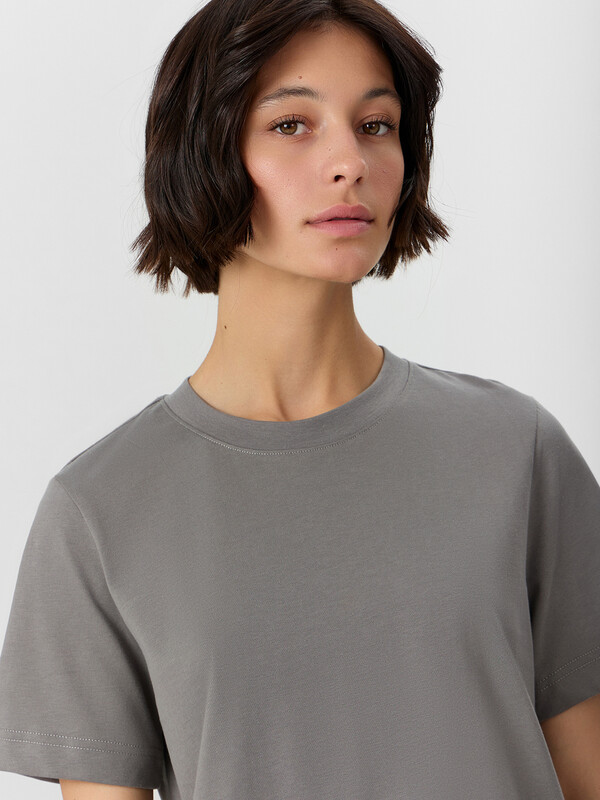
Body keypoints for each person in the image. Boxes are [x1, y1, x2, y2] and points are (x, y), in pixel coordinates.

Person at [0, 1, 599, 799]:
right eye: (292, 125)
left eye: (376, 125)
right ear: (202, 153)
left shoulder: (516, 451)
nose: (349, 161)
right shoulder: (99, 511)